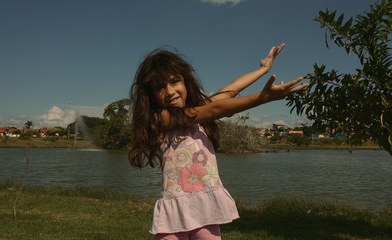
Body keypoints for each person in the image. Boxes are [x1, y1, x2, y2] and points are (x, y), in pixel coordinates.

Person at [129, 44, 308, 240]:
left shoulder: (197, 111)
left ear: (185, 81)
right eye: (160, 87)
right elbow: (215, 109)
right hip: (173, 215)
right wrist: (263, 98)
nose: (170, 91)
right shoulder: (161, 118)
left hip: (205, 211)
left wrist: (263, 69)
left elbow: (231, 91)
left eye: (174, 81)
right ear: (151, 94)